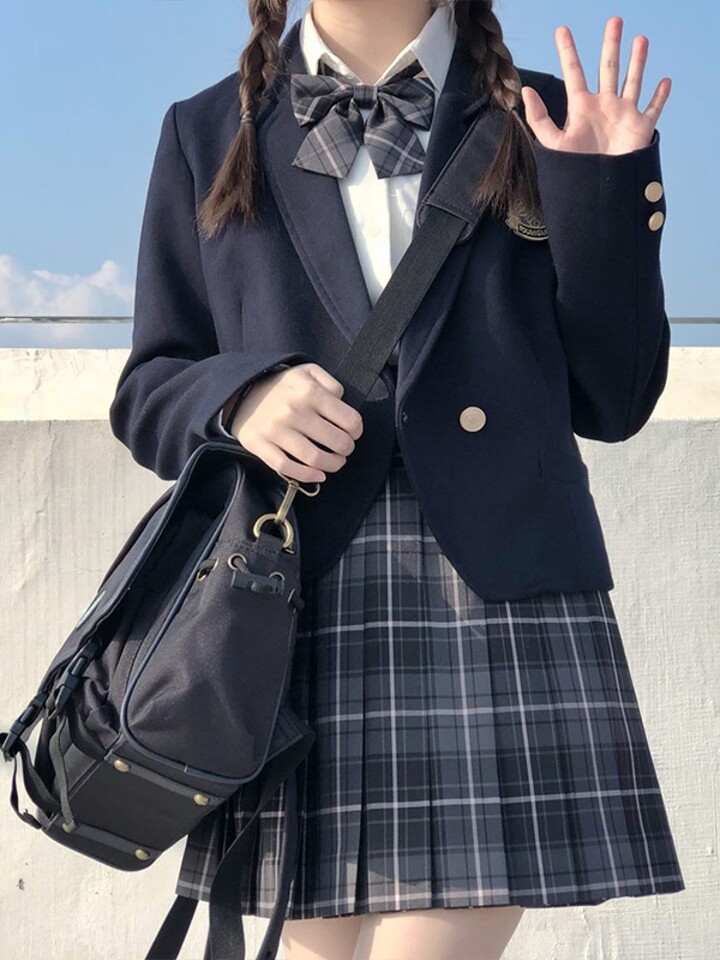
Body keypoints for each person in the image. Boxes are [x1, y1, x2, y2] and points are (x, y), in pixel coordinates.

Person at [108, 1, 686, 958]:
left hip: (499, 593)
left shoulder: (548, 116)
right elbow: (150, 385)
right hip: (288, 601)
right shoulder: (206, 129)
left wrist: (604, 195)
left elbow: (614, 399)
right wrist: (242, 397)